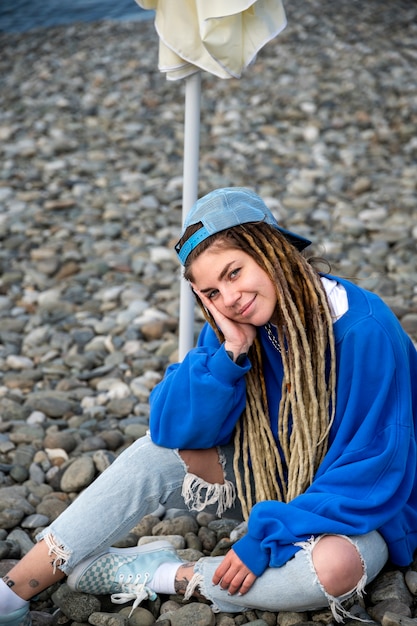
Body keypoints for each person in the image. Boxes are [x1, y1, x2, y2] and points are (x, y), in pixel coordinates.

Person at [1, 187, 417, 626]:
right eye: (212, 292)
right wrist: (230, 355)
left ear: (271, 249)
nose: (230, 297)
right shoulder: (236, 326)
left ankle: (162, 575)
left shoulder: (362, 330)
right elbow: (169, 429)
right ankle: (15, 591)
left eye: (234, 272)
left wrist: (266, 535)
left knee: (335, 569)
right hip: (275, 479)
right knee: (151, 456)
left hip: (361, 507)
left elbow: (374, 467)